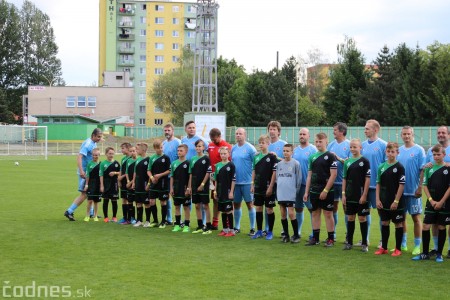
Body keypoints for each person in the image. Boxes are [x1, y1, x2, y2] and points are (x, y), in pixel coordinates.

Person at [412, 144, 450, 262]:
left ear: (444, 155)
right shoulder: (429, 168)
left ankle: (439, 254)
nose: (436, 157)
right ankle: (424, 253)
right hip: (431, 203)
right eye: (434, 155)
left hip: (444, 203)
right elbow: (425, 185)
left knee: (441, 226)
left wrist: (441, 201)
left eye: (438, 154)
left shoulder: (448, 169)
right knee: (426, 226)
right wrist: (431, 200)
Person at [304, 133, 337, 247]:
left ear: (326, 142)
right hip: (314, 190)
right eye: (316, 142)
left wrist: (326, 190)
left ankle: (331, 239)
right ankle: (316, 238)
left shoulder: (330, 156)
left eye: (320, 141)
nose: (318, 144)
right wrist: (306, 191)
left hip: (327, 191)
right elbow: (309, 176)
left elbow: (334, 175)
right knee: (315, 213)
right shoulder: (312, 157)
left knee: (328, 213)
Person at [397, 126, 426, 255]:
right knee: (401, 218)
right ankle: (403, 244)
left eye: (408, 134)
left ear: (412, 135)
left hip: (413, 191)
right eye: (404, 134)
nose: (406, 136)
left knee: (416, 218)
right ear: (401, 135)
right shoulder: (399, 150)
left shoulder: (419, 150)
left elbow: (422, 170)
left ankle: (417, 245)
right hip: (401, 191)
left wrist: (420, 187)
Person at [374, 142, 406, 257]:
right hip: (383, 200)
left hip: (396, 202)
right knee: (384, 223)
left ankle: (398, 249)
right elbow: (378, 184)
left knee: (398, 224)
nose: (390, 154)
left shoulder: (400, 167)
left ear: (397, 153)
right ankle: (384, 248)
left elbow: (401, 185)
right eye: (388, 151)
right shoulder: (381, 167)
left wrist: (396, 201)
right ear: (385, 152)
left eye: (393, 152)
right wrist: (377, 199)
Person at [64, 128, 103, 221]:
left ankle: (91, 213)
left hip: (90, 172)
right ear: (93, 135)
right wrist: (81, 171)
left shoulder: (93, 143)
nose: (99, 138)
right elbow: (79, 157)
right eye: (98, 136)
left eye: (100, 137)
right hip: (85, 173)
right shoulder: (88, 144)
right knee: (84, 193)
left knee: (91, 191)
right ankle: (69, 211)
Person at [341, 139, 371, 252]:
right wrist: (343, 194)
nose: (353, 149)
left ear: (360, 147)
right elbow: (344, 178)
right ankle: (349, 242)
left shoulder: (365, 161)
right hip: (349, 195)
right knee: (350, 217)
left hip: (361, 195)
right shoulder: (347, 162)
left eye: (355, 147)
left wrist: (364, 195)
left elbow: (368, 179)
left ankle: (364, 243)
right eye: (351, 147)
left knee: (362, 218)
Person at [425, 126, 450, 257]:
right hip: (436, 193)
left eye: (443, 132)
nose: (440, 134)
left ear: (448, 134)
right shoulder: (430, 150)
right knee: (435, 222)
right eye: (438, 133)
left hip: (448, 191)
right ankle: (436, 248)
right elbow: (425, 168)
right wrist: (427, 165)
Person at [362, 119, 387, 247]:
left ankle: (383, 241)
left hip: (378, 187)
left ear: (375, 130)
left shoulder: (383, 145)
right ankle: (365, 239)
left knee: (381, 213)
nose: (365, 130)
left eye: (367, 128)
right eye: (365, 128)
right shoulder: (362, 145)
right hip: (364, 186)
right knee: (364, 213)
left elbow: (387, 166)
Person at [250, 135, 277, 240]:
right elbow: (253, 171)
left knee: (269, 209)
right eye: (260, 143)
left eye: (263, 143)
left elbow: (274, 173)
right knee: (258, 208)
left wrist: (271, 187)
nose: (261, 145)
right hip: (258, 186)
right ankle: (259, 231)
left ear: (268, 144)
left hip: (268, 187)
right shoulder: (256, 157)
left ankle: (270, 231)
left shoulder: (272, 157)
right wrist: (252, 184)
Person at [327, 122, 351, 241]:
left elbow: (350, 163)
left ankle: (348, 235)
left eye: (335, 130)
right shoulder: (330, 145)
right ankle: (333, 233)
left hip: (344, 183)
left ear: (342, 131)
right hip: (332, 182)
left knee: (346, 207)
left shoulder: (349, 145)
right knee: (333, 207)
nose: (333, 132)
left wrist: (338, 158)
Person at [231, 128, 257, 235]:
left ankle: (252, 228)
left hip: (247, 182)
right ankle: (237, 227)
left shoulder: (250, 148)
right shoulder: (233, 148)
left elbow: (256, 163)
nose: (238, 135)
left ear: (245, 135)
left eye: (240, 134)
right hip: (236, 182)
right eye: (236, 134)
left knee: (250, 204)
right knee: (236, 205)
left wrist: (253, 182)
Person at [293, 128, 317, 238]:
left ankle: (314, 232)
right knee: (298, 208)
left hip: (309, 185)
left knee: (311, 208)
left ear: (309, 136)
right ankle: (297, 232)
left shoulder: (313, 150)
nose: (302, 136)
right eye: (300, 134)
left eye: (304, 134)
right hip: (297, 185)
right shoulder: (295, 150)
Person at [277, 144, 302, 243]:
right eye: (284, 151)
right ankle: (286, 235)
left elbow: (299, 179)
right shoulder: (279, 164)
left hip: (291, 192)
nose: (285, 152)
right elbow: (277, 178)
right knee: (283, 213)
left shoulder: (296, 164)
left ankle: (296, 235)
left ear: (292, 152)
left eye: (288, 151)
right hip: (281, 192)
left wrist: (296, 191)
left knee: (291, 213)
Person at [208, 128, 232, 230]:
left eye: (215, 139)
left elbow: (229, 163)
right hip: (214, 178)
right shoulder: (210, 146)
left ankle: (229, 224)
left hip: (224, 179)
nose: (214, 141)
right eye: (212, 139)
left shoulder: (227, 146)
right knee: (215, 200)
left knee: (226, 201)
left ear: (219, 136)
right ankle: (215, 223)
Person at [266, 121, 287, 236]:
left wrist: (277, 157)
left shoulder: (284, 144)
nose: (272, 131)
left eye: (274, 129)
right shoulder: (266, 143)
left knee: (282, 205)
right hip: (268, 180)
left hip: (281, 180)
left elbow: (288, 161)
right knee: (268, 205)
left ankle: (284, 230)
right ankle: (267, 228)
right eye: (270, 129)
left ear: (279, 132)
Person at [188, 139, 213, 234]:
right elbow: (190, 174)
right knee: (197, 205)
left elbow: (208, 172)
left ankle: (208, 226)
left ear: (203, 148)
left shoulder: (206, 159)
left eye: (200, 146)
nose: (198, 148)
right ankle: (200, 226)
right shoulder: (193, 159)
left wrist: (202, 184)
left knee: (205, 205)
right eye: (197, 146)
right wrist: (189, 187)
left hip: (203, 186)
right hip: (194, 185)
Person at [146, 139, 171, 228]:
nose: (160, 149)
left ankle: (163, 222)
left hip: (163, 183)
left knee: (163, 202)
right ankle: (155, 220)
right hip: (154, 183)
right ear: (154, 148)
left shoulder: (166, 158)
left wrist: (160, 175)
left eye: (161, 147)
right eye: (158, 148)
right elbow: (148, 171)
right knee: (152, 201)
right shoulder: (152, 158)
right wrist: (152, 178)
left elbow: (169, 170)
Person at [214, 147, 236, 237]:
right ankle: (225, 229)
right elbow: (216, 179)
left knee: (228, 211)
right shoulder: (218, 165)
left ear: (228, 154)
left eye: (225, 153)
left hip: (227, 191)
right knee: (222, 211)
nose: (223, 155)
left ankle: (231, 230)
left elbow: (233, 180)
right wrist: (215, 191)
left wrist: (231, 192)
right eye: (221, 154)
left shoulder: (231, 165)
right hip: (220, 191)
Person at [162, 123, 181, 226]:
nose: (167, 132)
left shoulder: (178, 142)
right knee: (166, 197)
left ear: (173, 131)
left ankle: (180, 219)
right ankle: (168, 218)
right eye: (165, 130)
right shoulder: (163, 143)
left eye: (168, 130)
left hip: (175, 174)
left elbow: (181, 156)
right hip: (165, 174)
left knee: (177, 197)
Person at [170, 144, 191, 232]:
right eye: (178, 151)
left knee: (186, 207)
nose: (179, 152)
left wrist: (189, 188)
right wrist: (171, 188)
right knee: (177, 207)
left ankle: (186, 225)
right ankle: (177, 224)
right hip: (176, 188)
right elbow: (172, 177)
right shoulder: (174, 163)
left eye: (181, 151)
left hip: (185, 188)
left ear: (186, 152)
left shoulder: (188, 163)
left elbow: (190, 176)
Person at [99, 147, 120, 223]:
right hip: (106, 184)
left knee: (114, 201)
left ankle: (114, 217)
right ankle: (106, 217)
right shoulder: (103, 163)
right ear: (106, 154)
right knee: (106, 200)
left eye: (112, 153)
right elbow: (101, 175)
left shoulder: (116, 163)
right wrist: (101, 185)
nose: (111, 155)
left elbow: (121, 173)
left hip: (114, 184)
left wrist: (114, 173)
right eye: (109, 153)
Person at [132, 142, 150, 227]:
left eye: (137, 149)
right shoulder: (138, 160)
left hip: (145, 184)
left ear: (143, 150)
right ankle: (139, 220)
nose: (136, 150)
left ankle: (148, 221)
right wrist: (133, 182)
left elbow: (150, 172)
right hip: (138, 184)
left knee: (146, 203)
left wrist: (149, 184)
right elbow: (135, 172)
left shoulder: (148, 159)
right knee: (138, 202)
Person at [83, 148, 101, 222]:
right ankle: (87, 215)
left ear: (99, 155)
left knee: (96, 201)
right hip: (91, 184)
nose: (94, 156)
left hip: (98, 185)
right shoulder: (89, 164)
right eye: (93, 155)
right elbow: (87, 175)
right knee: (90, 201)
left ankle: (95, 216)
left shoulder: (101, 164)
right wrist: (86, 185)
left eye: (96, 155)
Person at [118, 142, 132, 224]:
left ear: (128, 148)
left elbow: (128, 172)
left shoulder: (131, 158)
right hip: (123, 182)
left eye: (123, 148)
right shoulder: (123, 159)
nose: (121, 150)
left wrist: (122, 177)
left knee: (129, 199)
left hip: (128, 182)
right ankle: (125, 217)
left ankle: (130, 218)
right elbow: (121, 170)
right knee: (124, 199)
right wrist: (119, 180)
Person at [124, 146, 137, 224]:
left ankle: (135, 218)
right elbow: (126, 172)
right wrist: (128, 181)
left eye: (134, 151)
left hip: (135, 183)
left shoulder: (138, 160)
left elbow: (137, 173)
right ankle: (129, 218)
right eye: (131, 151)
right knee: (130, 201)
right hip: (129, 183)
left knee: (136, 202)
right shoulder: (128, 161)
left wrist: (132, 182)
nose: (133, 152)